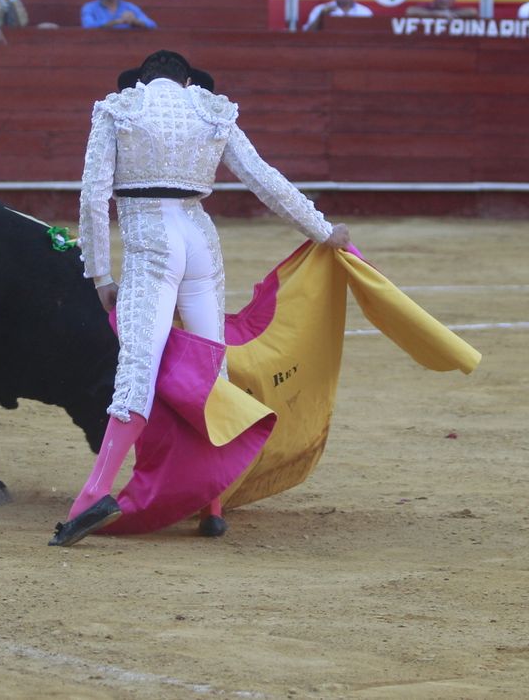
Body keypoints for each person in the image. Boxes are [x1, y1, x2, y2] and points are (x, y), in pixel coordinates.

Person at [51, 48, 351, 546]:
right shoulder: (210, 111)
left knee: (138, 368)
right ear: (188, 80)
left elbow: (92, 195)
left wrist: (100, 273)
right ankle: (212, 502)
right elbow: (264, 178)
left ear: (141, 80)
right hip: (200, 243)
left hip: (150, 242)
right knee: (212, 370)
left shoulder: (119, 109)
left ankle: (93, 494)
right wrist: (321, 229)